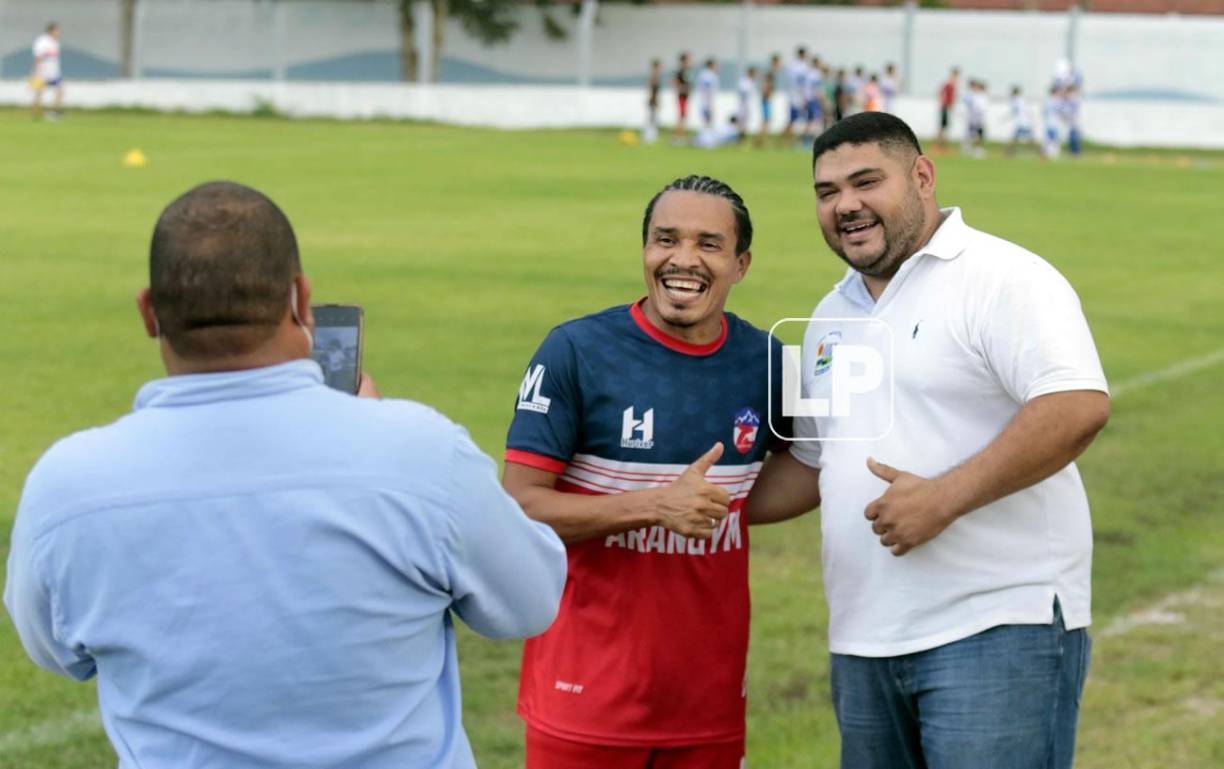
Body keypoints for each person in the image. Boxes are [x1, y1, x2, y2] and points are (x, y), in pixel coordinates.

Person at [4, 181, 568, 769]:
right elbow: (529, 602)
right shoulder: (420, 452)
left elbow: (54, 651)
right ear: (301, 301)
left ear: (149, 312)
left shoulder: (67, 486)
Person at [748, 112, 1110, 769]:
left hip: (998, 624)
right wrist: (671, 500)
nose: (846, 206)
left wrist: (944, 497)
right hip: (863, 635)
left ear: (922, 176)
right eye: (827, 193)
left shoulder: (1001, 277)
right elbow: (811, 464)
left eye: (865, 182)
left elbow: (1076, 403)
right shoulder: (831, 314)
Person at [503, 175, 798, 769]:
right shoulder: (575, 352)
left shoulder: (767, 362)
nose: (683, 260)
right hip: (584, 701)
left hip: (709, 705)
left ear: (741, 264)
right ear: (645, 251)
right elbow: (519, 507)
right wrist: (655, 505)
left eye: (709, 244)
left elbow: (803, 472)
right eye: (666, 239)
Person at [30, 22, 64, 120]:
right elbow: (38, 56)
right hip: (43, 71)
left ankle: (54, 112)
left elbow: (54, 58)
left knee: (60, 89)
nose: (59, 33)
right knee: (39, 92)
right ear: (51, 31)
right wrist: (36, 71)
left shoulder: (55, 42)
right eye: (57, 30)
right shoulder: (42, 41)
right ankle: (35, 114)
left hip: (53, 72)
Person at [783, 46, 809, 143]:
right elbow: (802, 84)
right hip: (798, 97)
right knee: (794, 119)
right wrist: (804, 97)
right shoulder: (802, 67)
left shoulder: (792, 65)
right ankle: (786, 139)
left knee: (794, 119)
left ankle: (788, 139)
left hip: (792, 95)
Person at [757, 53, 781, 146]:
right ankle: (761, 141)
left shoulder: (771, 72)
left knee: (766, 120)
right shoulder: (771, 72)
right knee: (766, 121)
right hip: (766, 99)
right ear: (775, 62)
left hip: (766, 99)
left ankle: (760, 141)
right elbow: (766, 84)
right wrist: (767, 95)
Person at [1008, 84, 1035, 156]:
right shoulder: (1022, 100)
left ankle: (1041, 153)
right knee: (1016, 138)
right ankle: (1010, 152)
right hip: (1025, 122)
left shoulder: (1016, 100)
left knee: (1028, 140)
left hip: (1021, 122)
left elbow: (1014, 111)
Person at [936, 66, 960, 149]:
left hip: (946, 106)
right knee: (943, 126)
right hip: (946, 106)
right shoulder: (950, 83)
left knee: (945, 126)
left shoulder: (951, 83)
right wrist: (947, 103)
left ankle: (942, 144)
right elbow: (943, 93)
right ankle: (940, 145)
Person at [672, 52, 692, 142]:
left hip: (686, 96)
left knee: (683, 116)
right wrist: (683, 88)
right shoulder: (680, 71)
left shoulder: (687, 71)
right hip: (681, 96)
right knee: (681, 116)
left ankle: (681, 136)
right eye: (688, 60)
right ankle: (676, 137)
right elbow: (674, 83)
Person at [697, 58, 720, 131]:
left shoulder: (709, 74)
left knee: (708, 119)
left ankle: (708, 134)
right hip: (707, 100)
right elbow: (707, 90)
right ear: (711, 65)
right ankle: (706, 135)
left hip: (707, 100)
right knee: (707, 119)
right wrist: (709, 102)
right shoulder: (708, 75)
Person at [644, 58, 662, 144]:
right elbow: (652, 90)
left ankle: (651, 136)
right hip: (653, 100)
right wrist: (654, 100)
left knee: (653, 118)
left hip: (653, 99)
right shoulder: (654, 77)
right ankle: (649, 137)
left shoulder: (655, 77)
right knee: (652, 119)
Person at [737, 65, 757, 139]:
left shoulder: (751, 82)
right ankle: (740, 138)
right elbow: (743, 92)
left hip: (748, 105)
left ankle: (742, 138)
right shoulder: (744, 81)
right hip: (743, 105)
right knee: (742, 123)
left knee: (745, 123)